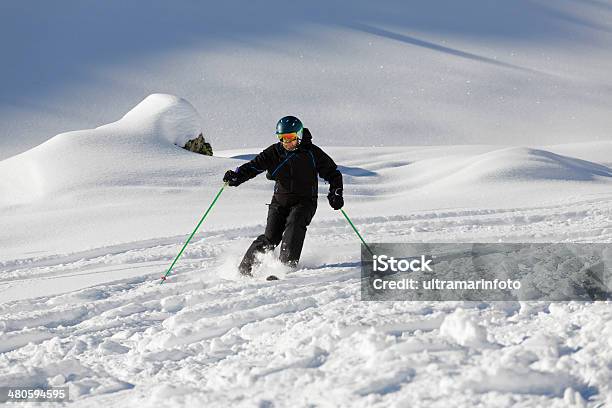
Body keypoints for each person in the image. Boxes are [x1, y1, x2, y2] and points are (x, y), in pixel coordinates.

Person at [223, 116, 344, 276]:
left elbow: (333, 173)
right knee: (270, 238)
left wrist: (335, 192)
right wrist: (237, 176)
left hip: (304, 201)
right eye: (282, 138)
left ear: (299, 135)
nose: (287, 143)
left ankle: (284, 268)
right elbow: (253, 166)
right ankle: (245, 270)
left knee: (294, 226)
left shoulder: (312, 153)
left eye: (290, 138)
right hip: (280, 201)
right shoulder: (274, 152)